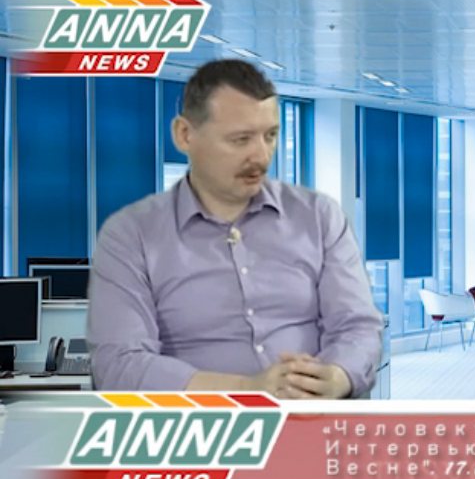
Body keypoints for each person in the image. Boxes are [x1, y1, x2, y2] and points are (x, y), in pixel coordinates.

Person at [87, 59, 383, 399]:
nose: (261, 156)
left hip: (311, 419)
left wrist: (335, 377)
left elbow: (358, 326)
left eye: (270, 136)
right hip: (198, 427)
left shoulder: (319, 217)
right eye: (240, 139)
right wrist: (247, 390)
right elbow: (119, 364)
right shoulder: (131, 235)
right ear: (185, 135)